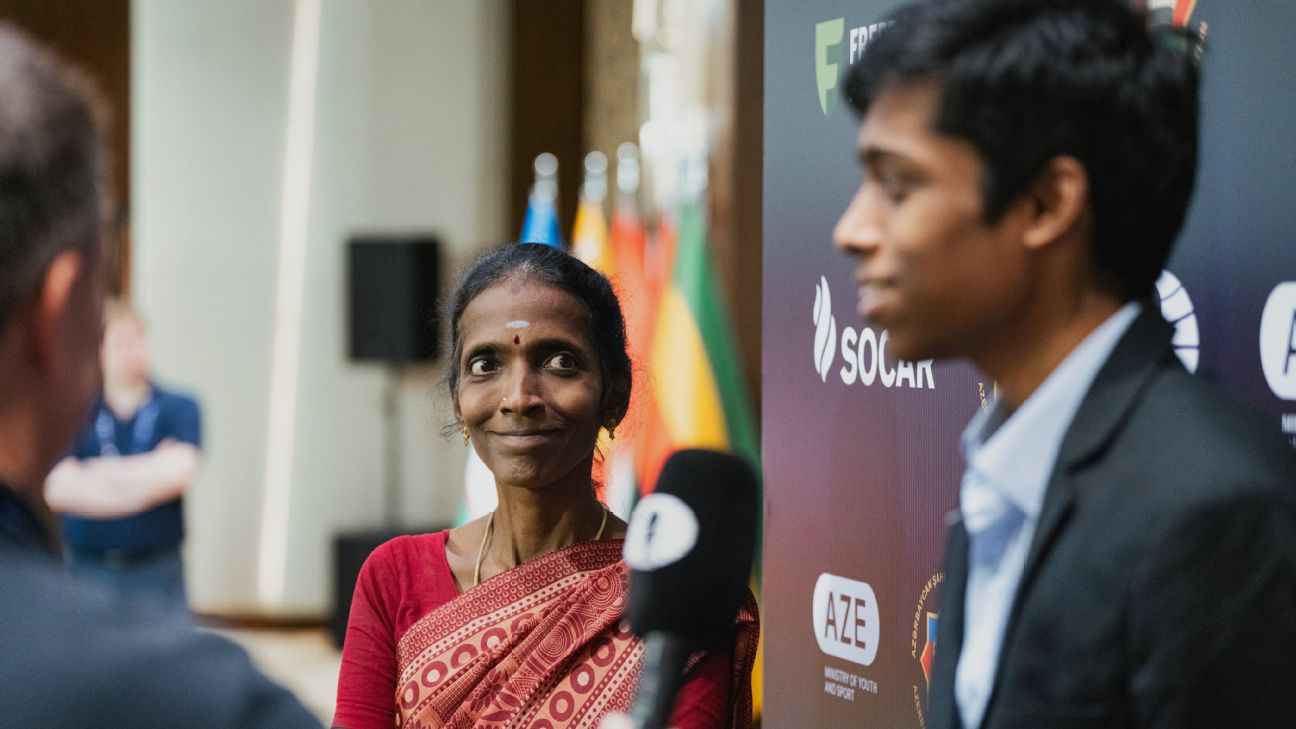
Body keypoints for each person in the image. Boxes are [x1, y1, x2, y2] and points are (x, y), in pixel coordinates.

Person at [833, 1, 1296, 727]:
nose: (851, 229)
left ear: (1047, 203)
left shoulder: (1218, 507)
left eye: (898, 184)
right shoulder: (1003, 474)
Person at [0, 23, 322, 727]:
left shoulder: (179, 404)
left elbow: (164, 473)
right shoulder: (197, 703)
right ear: (59, 315)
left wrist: (98, 485)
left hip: (154, 574)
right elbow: (77, 484)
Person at [333, 243, 759, 729]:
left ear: (614, 396)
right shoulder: (394, 577)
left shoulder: (675, 588)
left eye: (559, 362)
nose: (518, 398)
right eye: (485, 365)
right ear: (458, 401)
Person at [45, 299, 202, 612]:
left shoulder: (180, 407)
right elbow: (57, 488)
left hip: (157, 572)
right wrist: (149, 473)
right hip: (85, 571)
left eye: (138, 339)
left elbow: (178, 473)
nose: (132, 352)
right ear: (100, 352)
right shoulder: (73, 412)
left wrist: (91, 474)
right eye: (120, 344)